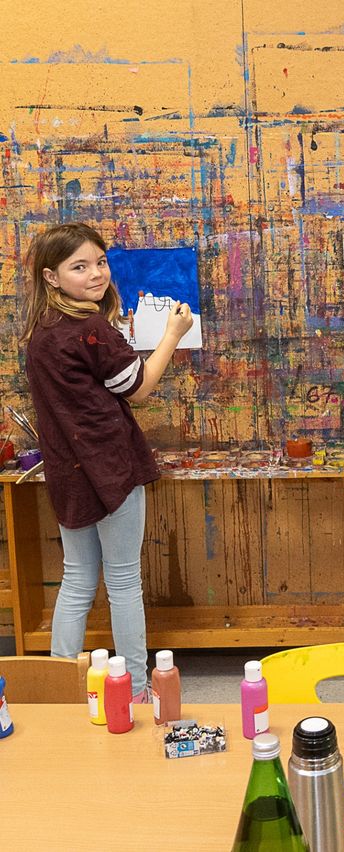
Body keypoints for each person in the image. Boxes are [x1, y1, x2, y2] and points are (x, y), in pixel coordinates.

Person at [22, 223, 193, 702]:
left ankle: (58, 689)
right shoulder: (91, 330)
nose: (96, 273)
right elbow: (136, 387)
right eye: (80, 266)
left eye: (100, 261)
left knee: (77, 578)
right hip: (110, 470)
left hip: (69, 471)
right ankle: (137, 689)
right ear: (51, 277)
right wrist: (172, 334)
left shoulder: (43, 331)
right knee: (123, 582)